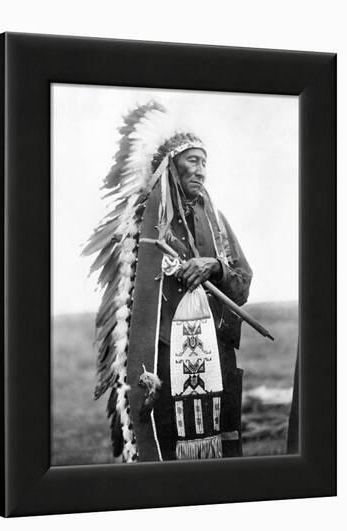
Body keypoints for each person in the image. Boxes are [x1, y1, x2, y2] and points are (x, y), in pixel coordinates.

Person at [83, 101, 252, 462]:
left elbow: (242, 283)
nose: (202, 171)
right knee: (166, 457)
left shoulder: (216, 223)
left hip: (215, 359)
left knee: (221, 457)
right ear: (169, 164)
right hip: (161, 363)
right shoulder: (140, 225)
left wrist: (215, 267)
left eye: (205, 162)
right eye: (193, 160)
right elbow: (124, 306)